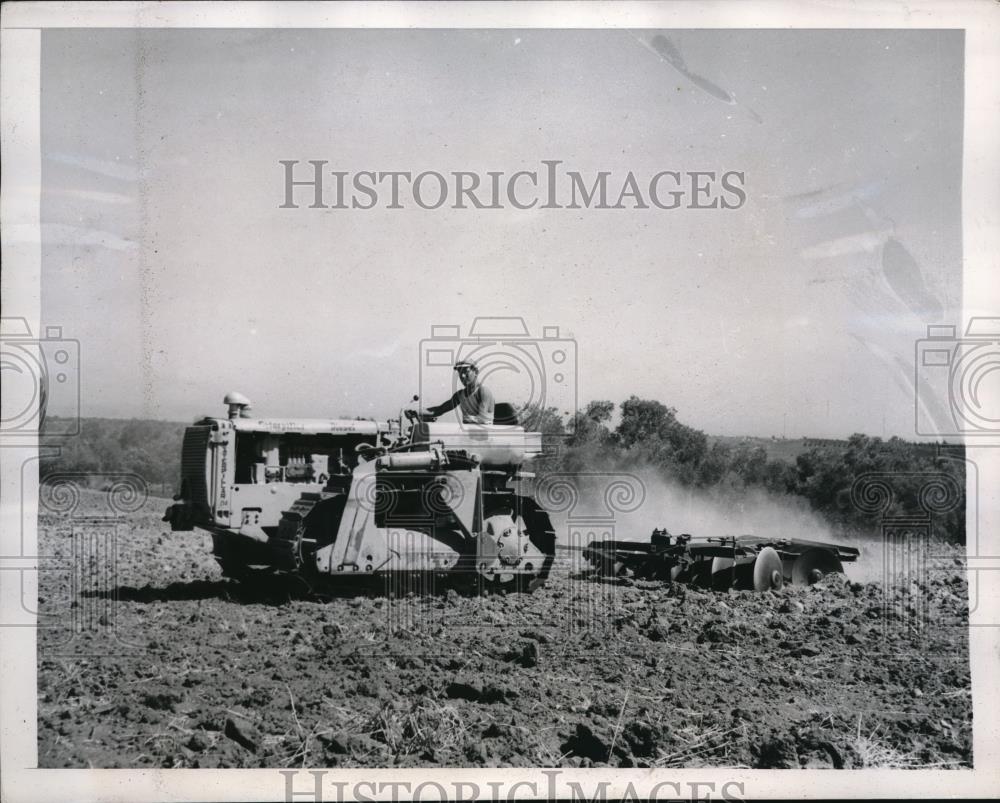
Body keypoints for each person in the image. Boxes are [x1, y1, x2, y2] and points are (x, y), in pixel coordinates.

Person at [425, 360, 495, 424]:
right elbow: (439, 410)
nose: (462, 376)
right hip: (468, 434)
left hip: (486, 435)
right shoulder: (460, 395)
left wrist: (468, 419)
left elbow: (482, 419)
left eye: (466, 372)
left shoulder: (483, 391)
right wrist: (418, 412)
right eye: (460, 373)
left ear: (476, 372)